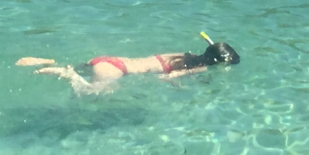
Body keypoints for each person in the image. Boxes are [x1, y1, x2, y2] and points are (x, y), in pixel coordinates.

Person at [16, 33, 241, 94]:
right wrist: (179, 86)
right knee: (91, 95)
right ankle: (67, 74)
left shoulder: (184, 55)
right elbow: (166, 77)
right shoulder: (198, 67)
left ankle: (49, 60)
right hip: (115, 70)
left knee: (81, 69)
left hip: (108, 60)